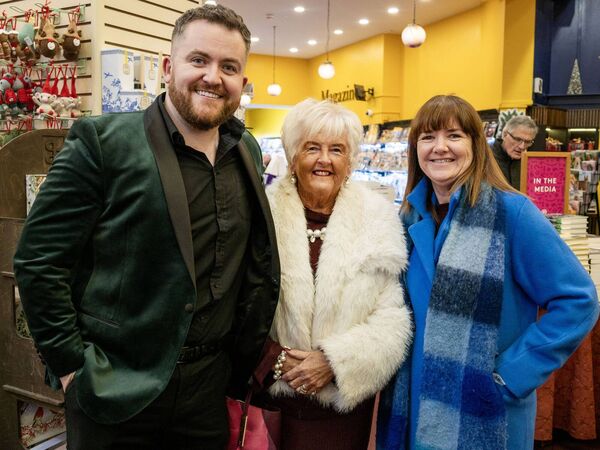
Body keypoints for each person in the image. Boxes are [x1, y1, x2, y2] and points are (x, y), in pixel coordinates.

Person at [13, 5, 280, 449]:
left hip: (208, 391)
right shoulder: (103, 143)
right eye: (199, 60)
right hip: (116, 389)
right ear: (168, 67)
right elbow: (39, 260)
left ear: (243, 83)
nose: (213, 76)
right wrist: (71, 369)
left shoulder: (246, 151)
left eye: (228, 67)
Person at [377, 95, 599, 450]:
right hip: (416, 407)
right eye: (428, 137)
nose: (440, 148)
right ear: (415, 148)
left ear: (476, 145)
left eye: (454, 135)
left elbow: (579, 301)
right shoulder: (408, 219)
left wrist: (510, 376)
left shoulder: (513, 215)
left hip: (484, 412)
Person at [254, 98, 412, 450]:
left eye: (337, 150)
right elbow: (234, 303)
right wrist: (274, 359)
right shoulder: (260, 215)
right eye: (312, 148)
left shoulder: (377, 219)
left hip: (342, 410)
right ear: (293, 157)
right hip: (270, 400)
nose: (324, 160)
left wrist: (335, 361)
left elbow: (392, 320)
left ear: (350, 161)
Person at [491, 115, 538, 190]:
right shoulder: (485, 158)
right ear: (504, 134)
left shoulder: (530, 164)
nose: (522, 146)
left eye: (527, 142)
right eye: (517, 139)